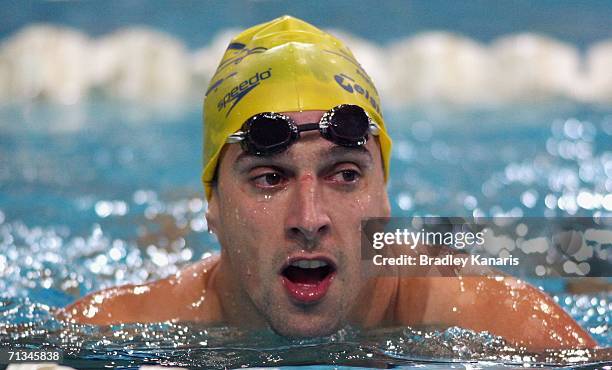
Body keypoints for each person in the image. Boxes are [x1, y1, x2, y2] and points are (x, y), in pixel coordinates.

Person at [60, 15, 596, 351]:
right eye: (270, 178)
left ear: (386, 193)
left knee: (588, 261)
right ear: (214, 204)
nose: (309, 217)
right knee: (158, 245)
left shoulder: (497, 320)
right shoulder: (121, 327)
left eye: (345, 174)